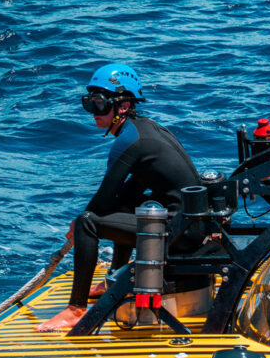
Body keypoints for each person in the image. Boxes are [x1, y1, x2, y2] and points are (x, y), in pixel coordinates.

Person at [37, 64, 202, 332]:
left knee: (87, 222)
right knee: (124, 204)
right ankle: (114, 278)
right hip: (191, 227)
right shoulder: (145, 130)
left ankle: (75, 310)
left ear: (123, 106)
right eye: (90, 103)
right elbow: (126, 194)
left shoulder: (128, 142)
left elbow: (102, 200)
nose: (94, 112)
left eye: (100, 103)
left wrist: (77, 226)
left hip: (179, 235)